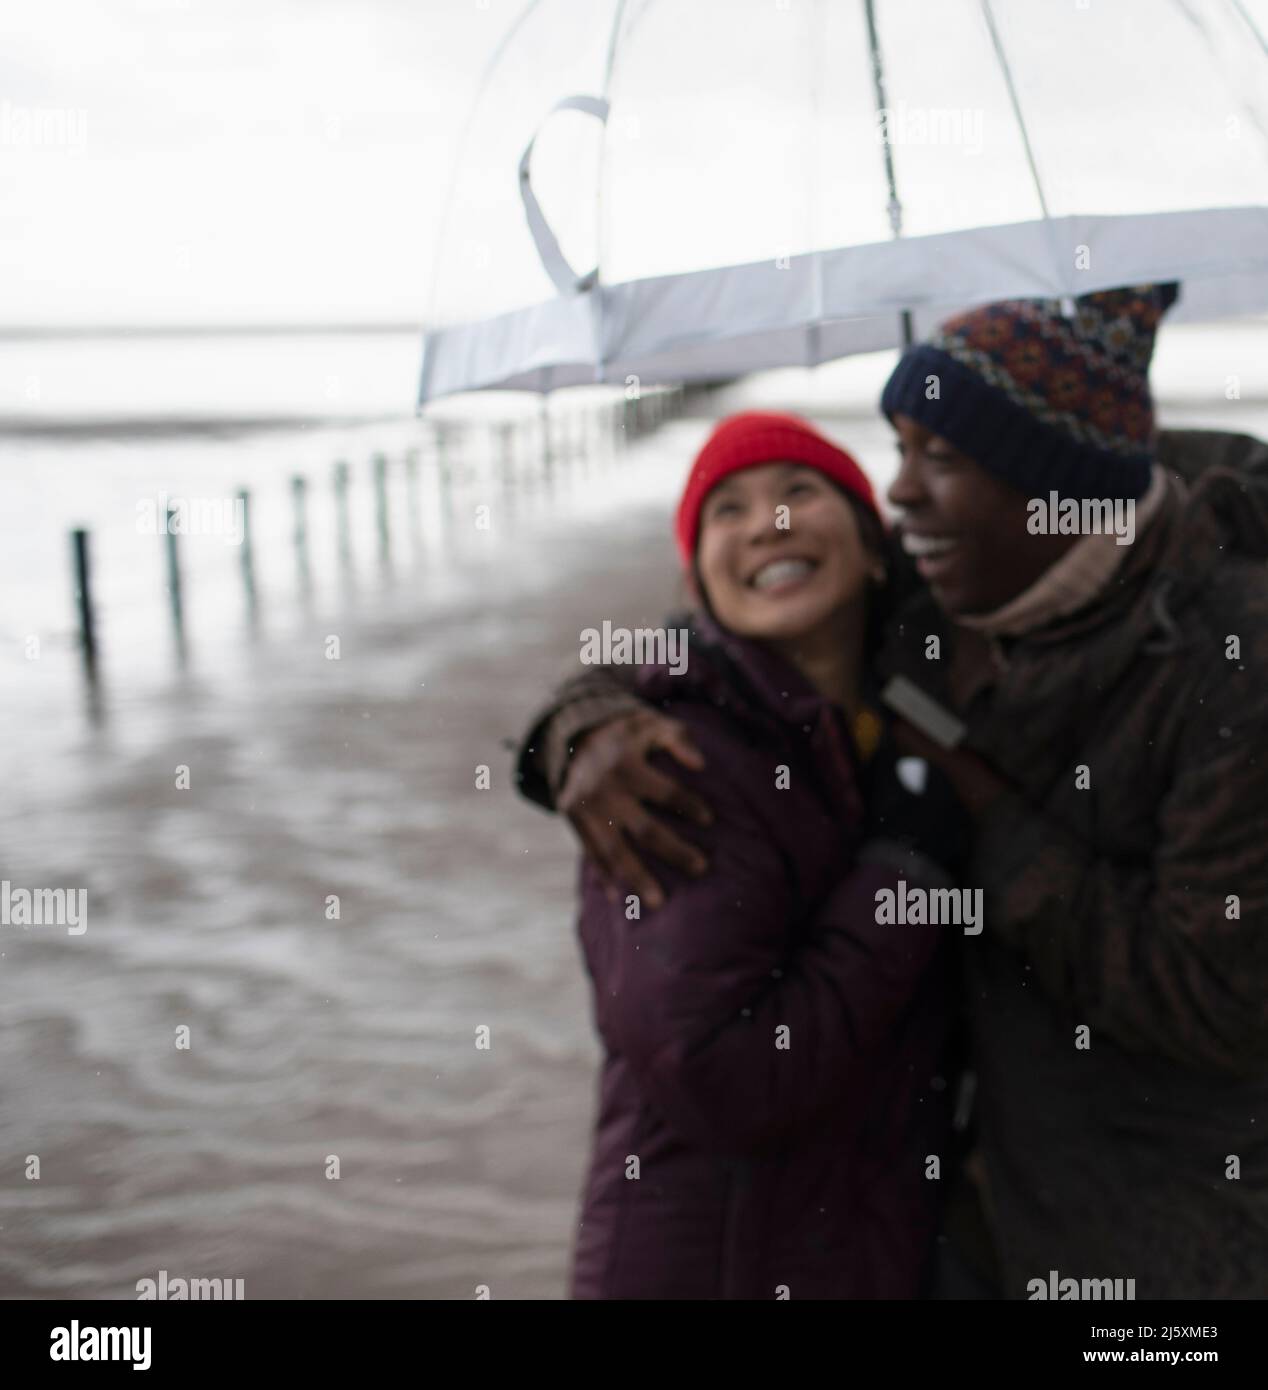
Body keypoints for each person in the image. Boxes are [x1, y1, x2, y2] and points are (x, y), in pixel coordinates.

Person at [516, 285, 1268, 1299]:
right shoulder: (927, 601)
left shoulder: (1229, 653)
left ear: (1051, 486)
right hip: (958, 1214)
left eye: (939, 458)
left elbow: (1216, 998)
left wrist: (974, 815)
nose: (900, 492)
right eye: (898, 448)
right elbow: (714, 640)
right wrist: (579, 724)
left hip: (1168, 1236)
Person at [559, 411, 968, 1299]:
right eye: (728, 511)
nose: (768, 523)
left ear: (870, 550)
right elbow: (721, 1074)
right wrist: (904, 879)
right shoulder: (674, 764)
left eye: (799, 491)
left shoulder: (889, 728)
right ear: (700, 583)